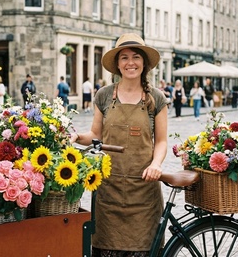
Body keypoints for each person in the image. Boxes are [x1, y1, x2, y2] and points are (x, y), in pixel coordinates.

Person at [70, 33, 167, 256]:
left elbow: (161, 141)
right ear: (117, 64)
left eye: (135, 57)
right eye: (124, 57)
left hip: (143, 188)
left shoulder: (156, 98)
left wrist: (157, 164)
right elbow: (96, 134)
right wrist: (75, 137)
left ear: (144, 63)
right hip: (109, 190)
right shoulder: (104, 96)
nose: (130, 63)